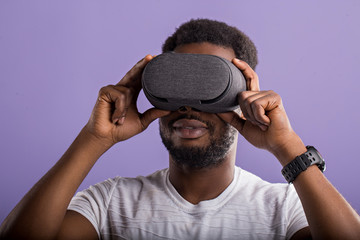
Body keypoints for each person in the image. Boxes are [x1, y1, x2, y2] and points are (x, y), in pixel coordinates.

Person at [0, 19, 359, 240]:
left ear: (246, 95)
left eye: (209, 85)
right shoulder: (112, 203)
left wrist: (286, 145)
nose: (189, 106)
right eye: (178, 82)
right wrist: (95, 139)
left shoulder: (285, 207)